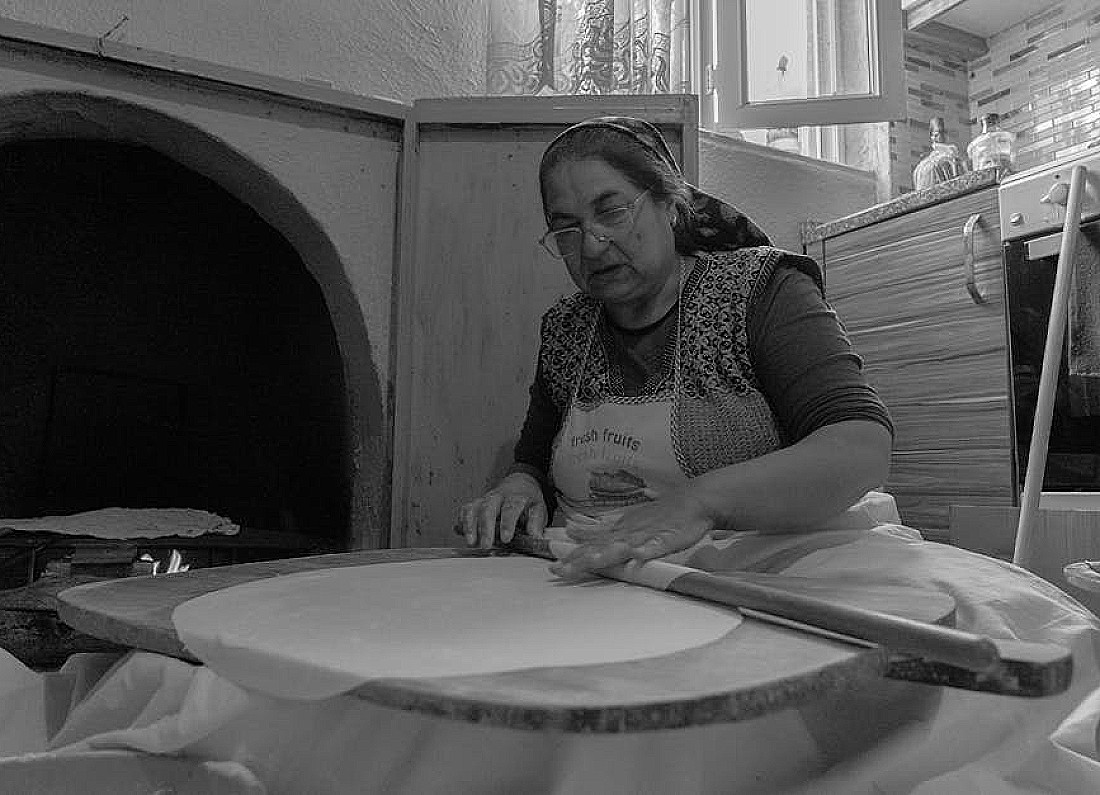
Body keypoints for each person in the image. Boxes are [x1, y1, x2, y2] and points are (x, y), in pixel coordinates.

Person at [458, 115, 894, 577]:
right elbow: (534, 461)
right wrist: (520, 487)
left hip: (774, 573)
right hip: (616, 579)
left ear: (668, 203)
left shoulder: (762, 291)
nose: (591, 246)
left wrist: (701, 502)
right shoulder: (566, 329)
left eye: (611, 212)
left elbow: (860, 446)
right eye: (567, 228)